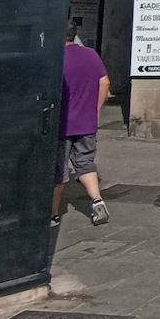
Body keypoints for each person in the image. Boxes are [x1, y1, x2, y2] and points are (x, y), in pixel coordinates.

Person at [52, 39, 111, 227]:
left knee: (58, 170)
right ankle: (97, 201)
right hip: (86, 122)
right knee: (85, 163)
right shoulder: (90, 54)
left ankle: (53, 214)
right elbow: (105, 81)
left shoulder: (56, 58)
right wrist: (96, 109)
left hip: (61, 124)